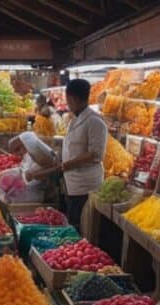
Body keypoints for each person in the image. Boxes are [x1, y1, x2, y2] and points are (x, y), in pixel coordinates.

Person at [53, 78, 107, 230]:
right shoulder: (75, 119)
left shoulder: (95, 122)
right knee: (73, 221)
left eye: (68, 100)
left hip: (85, 184)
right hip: (73, 182)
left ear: (73, 98)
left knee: (81, 224)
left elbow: (95, 154)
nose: (68, 104)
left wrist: (67, 164)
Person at [9, 132, 57, 202]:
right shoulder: (28, 150)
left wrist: (34, 175)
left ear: (22, 146)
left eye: (18, 150)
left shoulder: (39, 153)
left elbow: (53, 168)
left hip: (41, 191)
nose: (18, 154)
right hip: (31, 188)